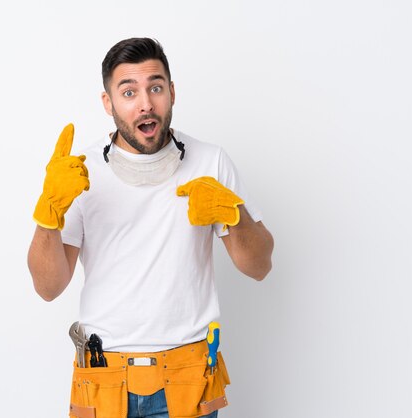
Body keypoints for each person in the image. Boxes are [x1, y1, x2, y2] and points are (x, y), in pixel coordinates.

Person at [28, 37, 274, 418]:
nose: (145, 103)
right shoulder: (80, 172)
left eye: (155, 88)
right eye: (128, 92)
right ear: (108, 103)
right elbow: (48, 288)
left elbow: (259, 266)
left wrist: (234, 213)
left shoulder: (210, 162)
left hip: (189, 377)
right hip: (104, 377)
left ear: (172, 92)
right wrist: (48, 215)